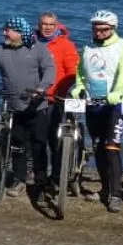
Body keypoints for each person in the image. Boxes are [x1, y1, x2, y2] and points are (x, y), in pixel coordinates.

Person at [0, 16, 55, 198]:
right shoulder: (0, 50)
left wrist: (40, 89)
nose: (4, 33)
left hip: (36, 106)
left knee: (39, 145)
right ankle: (19, 180)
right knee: (17, 145)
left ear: (19, 32)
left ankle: (40, 182)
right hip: (14, 106)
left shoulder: (37, 48)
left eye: (7, 30)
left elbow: (49, 69)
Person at [71, 10, 123, 213]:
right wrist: (78, 87)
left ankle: (116, 194)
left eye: (104, 29)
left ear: (112, 29)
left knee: (111, 146)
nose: (99, 32)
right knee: (99, 146)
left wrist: (117, 92)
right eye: (96, 28)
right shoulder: (87, 48)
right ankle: (105, 189)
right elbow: (81, 72)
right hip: (93, 102)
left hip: (116, 103)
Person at [37, 11, 80, 189]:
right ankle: (39, 177)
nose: (47, 27)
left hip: (56, 98)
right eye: (44, 24)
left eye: (51, 24)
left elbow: (72, 72)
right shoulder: (32, 42)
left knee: (54, 140)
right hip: (35, 96)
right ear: (39, 25)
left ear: (56, 26)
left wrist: (62, 92)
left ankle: (56, 176)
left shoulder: (65, 45)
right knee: (37, 140)